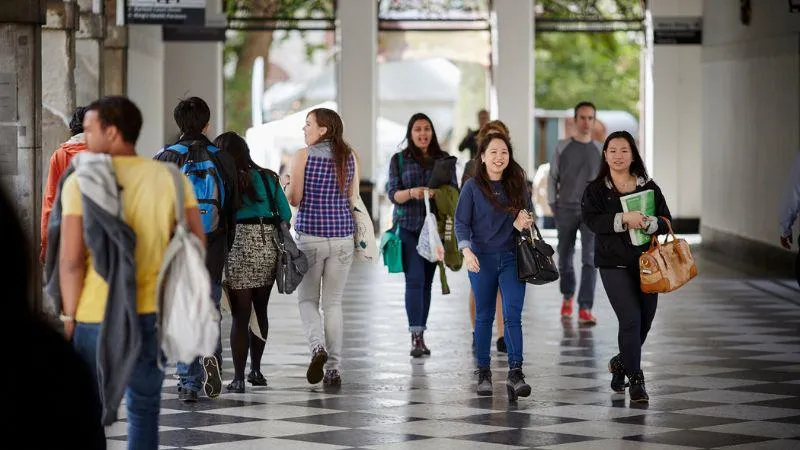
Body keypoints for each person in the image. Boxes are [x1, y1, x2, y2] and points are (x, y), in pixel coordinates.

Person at [60, 96, 205, 447]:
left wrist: (68, 316)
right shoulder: (169, 178)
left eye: (91, 129)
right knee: (143, 409)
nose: (84, 136)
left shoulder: (83, 180)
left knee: (86, 410)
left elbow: (71, 259)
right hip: (148, 312)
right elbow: (196, 244)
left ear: (111, 132)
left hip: (94, 316)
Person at [154, 96, 237, 402]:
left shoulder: (165, 158)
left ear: (178, 123)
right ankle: (210, 361)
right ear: (207, 124)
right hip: (213, 245)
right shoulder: (221, 158)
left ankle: (189, 380)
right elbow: (232, 207)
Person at [582, 130, 672, 403]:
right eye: (613, 151)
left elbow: (666, 219)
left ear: (633, 154)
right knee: (630, 319)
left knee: (645, 319)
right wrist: (623, 219)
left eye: (624, 150)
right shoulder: (596, 190)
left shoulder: (649, 186)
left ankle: (620, 363)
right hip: (613, 263)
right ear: (605, 155)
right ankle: (636, 380)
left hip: (648, 263)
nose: (618, 156)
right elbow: (591, 221)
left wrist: (651, 222)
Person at [455, 133, 534, 400]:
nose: (499, 157)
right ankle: (484, 372)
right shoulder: (472, 187)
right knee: (484, 316)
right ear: (483, 156)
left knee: (513, 315)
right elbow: (461, 223)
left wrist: (525, 220)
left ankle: (516, 372)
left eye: (504, 152)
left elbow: (528, 215)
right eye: (493, 152)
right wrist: (466, 251)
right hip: (481, 259)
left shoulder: (517, 184)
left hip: (512, 257)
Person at [215, 132, 291, 393]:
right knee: (261, 309)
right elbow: (286, 213)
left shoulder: (224, 180)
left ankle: (237, 377)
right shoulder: (269, 177)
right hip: (266, 244)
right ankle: (256, 370)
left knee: (240, 315)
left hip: (236, 245)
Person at [286, 108, 357, 387]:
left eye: (308, 125)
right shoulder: (349, 156)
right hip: (342, 237)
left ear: (323, 129)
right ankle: (334, 369)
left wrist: (285, 185)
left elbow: (295, 199)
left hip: (311, 237)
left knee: (307, 301)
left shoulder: (303, 155)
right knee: (334, 304)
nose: (304, 130)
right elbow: (352, 199)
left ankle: (317, 348)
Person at [387, 112, 458, 357]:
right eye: (417, 129)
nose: (422, 133)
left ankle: (421, 333)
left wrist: (436, 194)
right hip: (408, 228)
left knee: (427, 283)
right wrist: (413, 193)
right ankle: (415, 335)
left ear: (432, 132)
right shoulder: (399, 160)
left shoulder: (445, 160)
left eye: (426, 128)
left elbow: (455, 194)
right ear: (410, 133)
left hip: (436, 230)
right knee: (415, 280)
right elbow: (393, 194)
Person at [548, 101, 603, 325]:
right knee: (565, 258)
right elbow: (552, 177)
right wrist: (553, 204)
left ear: (594, 121)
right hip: (566, 209)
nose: (586, 122)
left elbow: (605, 182)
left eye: (590, 118)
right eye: (582, 117)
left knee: (591, 259)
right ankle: (568, 296)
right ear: (575, 120)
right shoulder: (562, 146)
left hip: (591, 212)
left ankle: (585, 307)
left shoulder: (600, 149)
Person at [463, 120, 511, 353]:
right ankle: (477, 331)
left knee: (503, 289)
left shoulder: (513, 173)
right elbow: (464, 206)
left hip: (505, 241)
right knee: (479, 290)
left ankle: (502, 335)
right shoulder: (472, 171)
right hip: (478, 242)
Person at [41, 106, 88, 263]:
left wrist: (46, 243)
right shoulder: (101, 155)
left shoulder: (59, 156)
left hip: (65, 231)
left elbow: (50, 200)